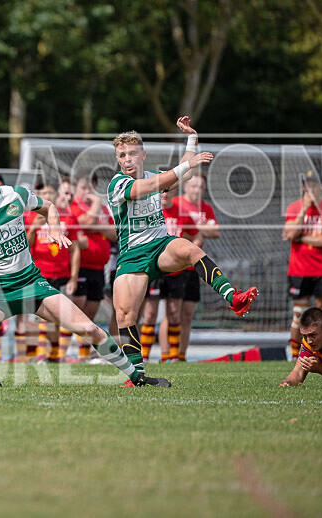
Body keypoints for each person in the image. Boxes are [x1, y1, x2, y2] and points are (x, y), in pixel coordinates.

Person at [0, 155, 168, 387]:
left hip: (31, 283)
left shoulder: (15, 196)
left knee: (89, 328)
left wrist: (54, 229)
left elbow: (49, 207)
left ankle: (137, 377)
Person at [109, 117, 258, 379]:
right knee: (125, 316)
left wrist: (191, 138)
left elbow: (183, 172)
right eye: (122, 155)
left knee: (189, 249)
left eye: (132, 153)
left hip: (159, 245)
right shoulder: (118, 184)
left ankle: (232, 298)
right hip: (132, 255)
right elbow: (152, 185)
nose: (127, 159)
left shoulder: (155, 175)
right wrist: (187, 164)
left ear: (143, 154)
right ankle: (137, 376)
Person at [25, 179, 84, 362]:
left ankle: (58, 356)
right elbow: (25, 247)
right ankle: (43, 356)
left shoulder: (66, 217)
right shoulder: (28, 217)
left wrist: (73, 278)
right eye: (44, 194)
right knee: (43, 317)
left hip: (62, 275)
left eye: (51, 194)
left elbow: (74, 249)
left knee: (65, 317)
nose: (47, 197)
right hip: (39, 275)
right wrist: (33, 229)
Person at [282, 170, 322, 359]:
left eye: (315, 185)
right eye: (308, 185)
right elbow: (289, 234)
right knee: (298, 314)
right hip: (300, 269)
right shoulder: (294, 207)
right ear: (303, 187)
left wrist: (302, 237)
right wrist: (304, 209)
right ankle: (295, 355)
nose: (311, 189)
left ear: (321, 186)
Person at [173, 174, 220, 361]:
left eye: (200, 187)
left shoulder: (205, 208)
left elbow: (215, 231)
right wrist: (200, 229)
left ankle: (181, 356)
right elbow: (178, 230)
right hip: (176, 266)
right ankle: (167, 354)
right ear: (185, 187)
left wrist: (199, 230)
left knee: (187, 314)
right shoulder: (177, 204)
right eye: (193, 186)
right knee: (172, 313)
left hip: (194, 268)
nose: (196, 190)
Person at [70, 173, 117, 360]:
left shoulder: (103, 210)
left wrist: (98, 226)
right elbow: (86, 223)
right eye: (84, 187)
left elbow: (116, 233)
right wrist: (96, 204)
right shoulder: (73, 208)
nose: (88, 192)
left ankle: (85, 353)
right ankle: (58, 353)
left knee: (91, 311)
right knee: (79, 311)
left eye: (91, 187)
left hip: (99, 269)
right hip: (79, 267)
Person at [138, 187, 183, 363]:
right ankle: (145, 357)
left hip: (175, 271)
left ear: (173, 192)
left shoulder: (181, 212)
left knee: (173, 313)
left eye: (167, 191)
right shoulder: (151, 211)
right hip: (156, 269)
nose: (164, 194)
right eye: (161, 191)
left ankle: (172, 358)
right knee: (149, 314)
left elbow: (193, 234)